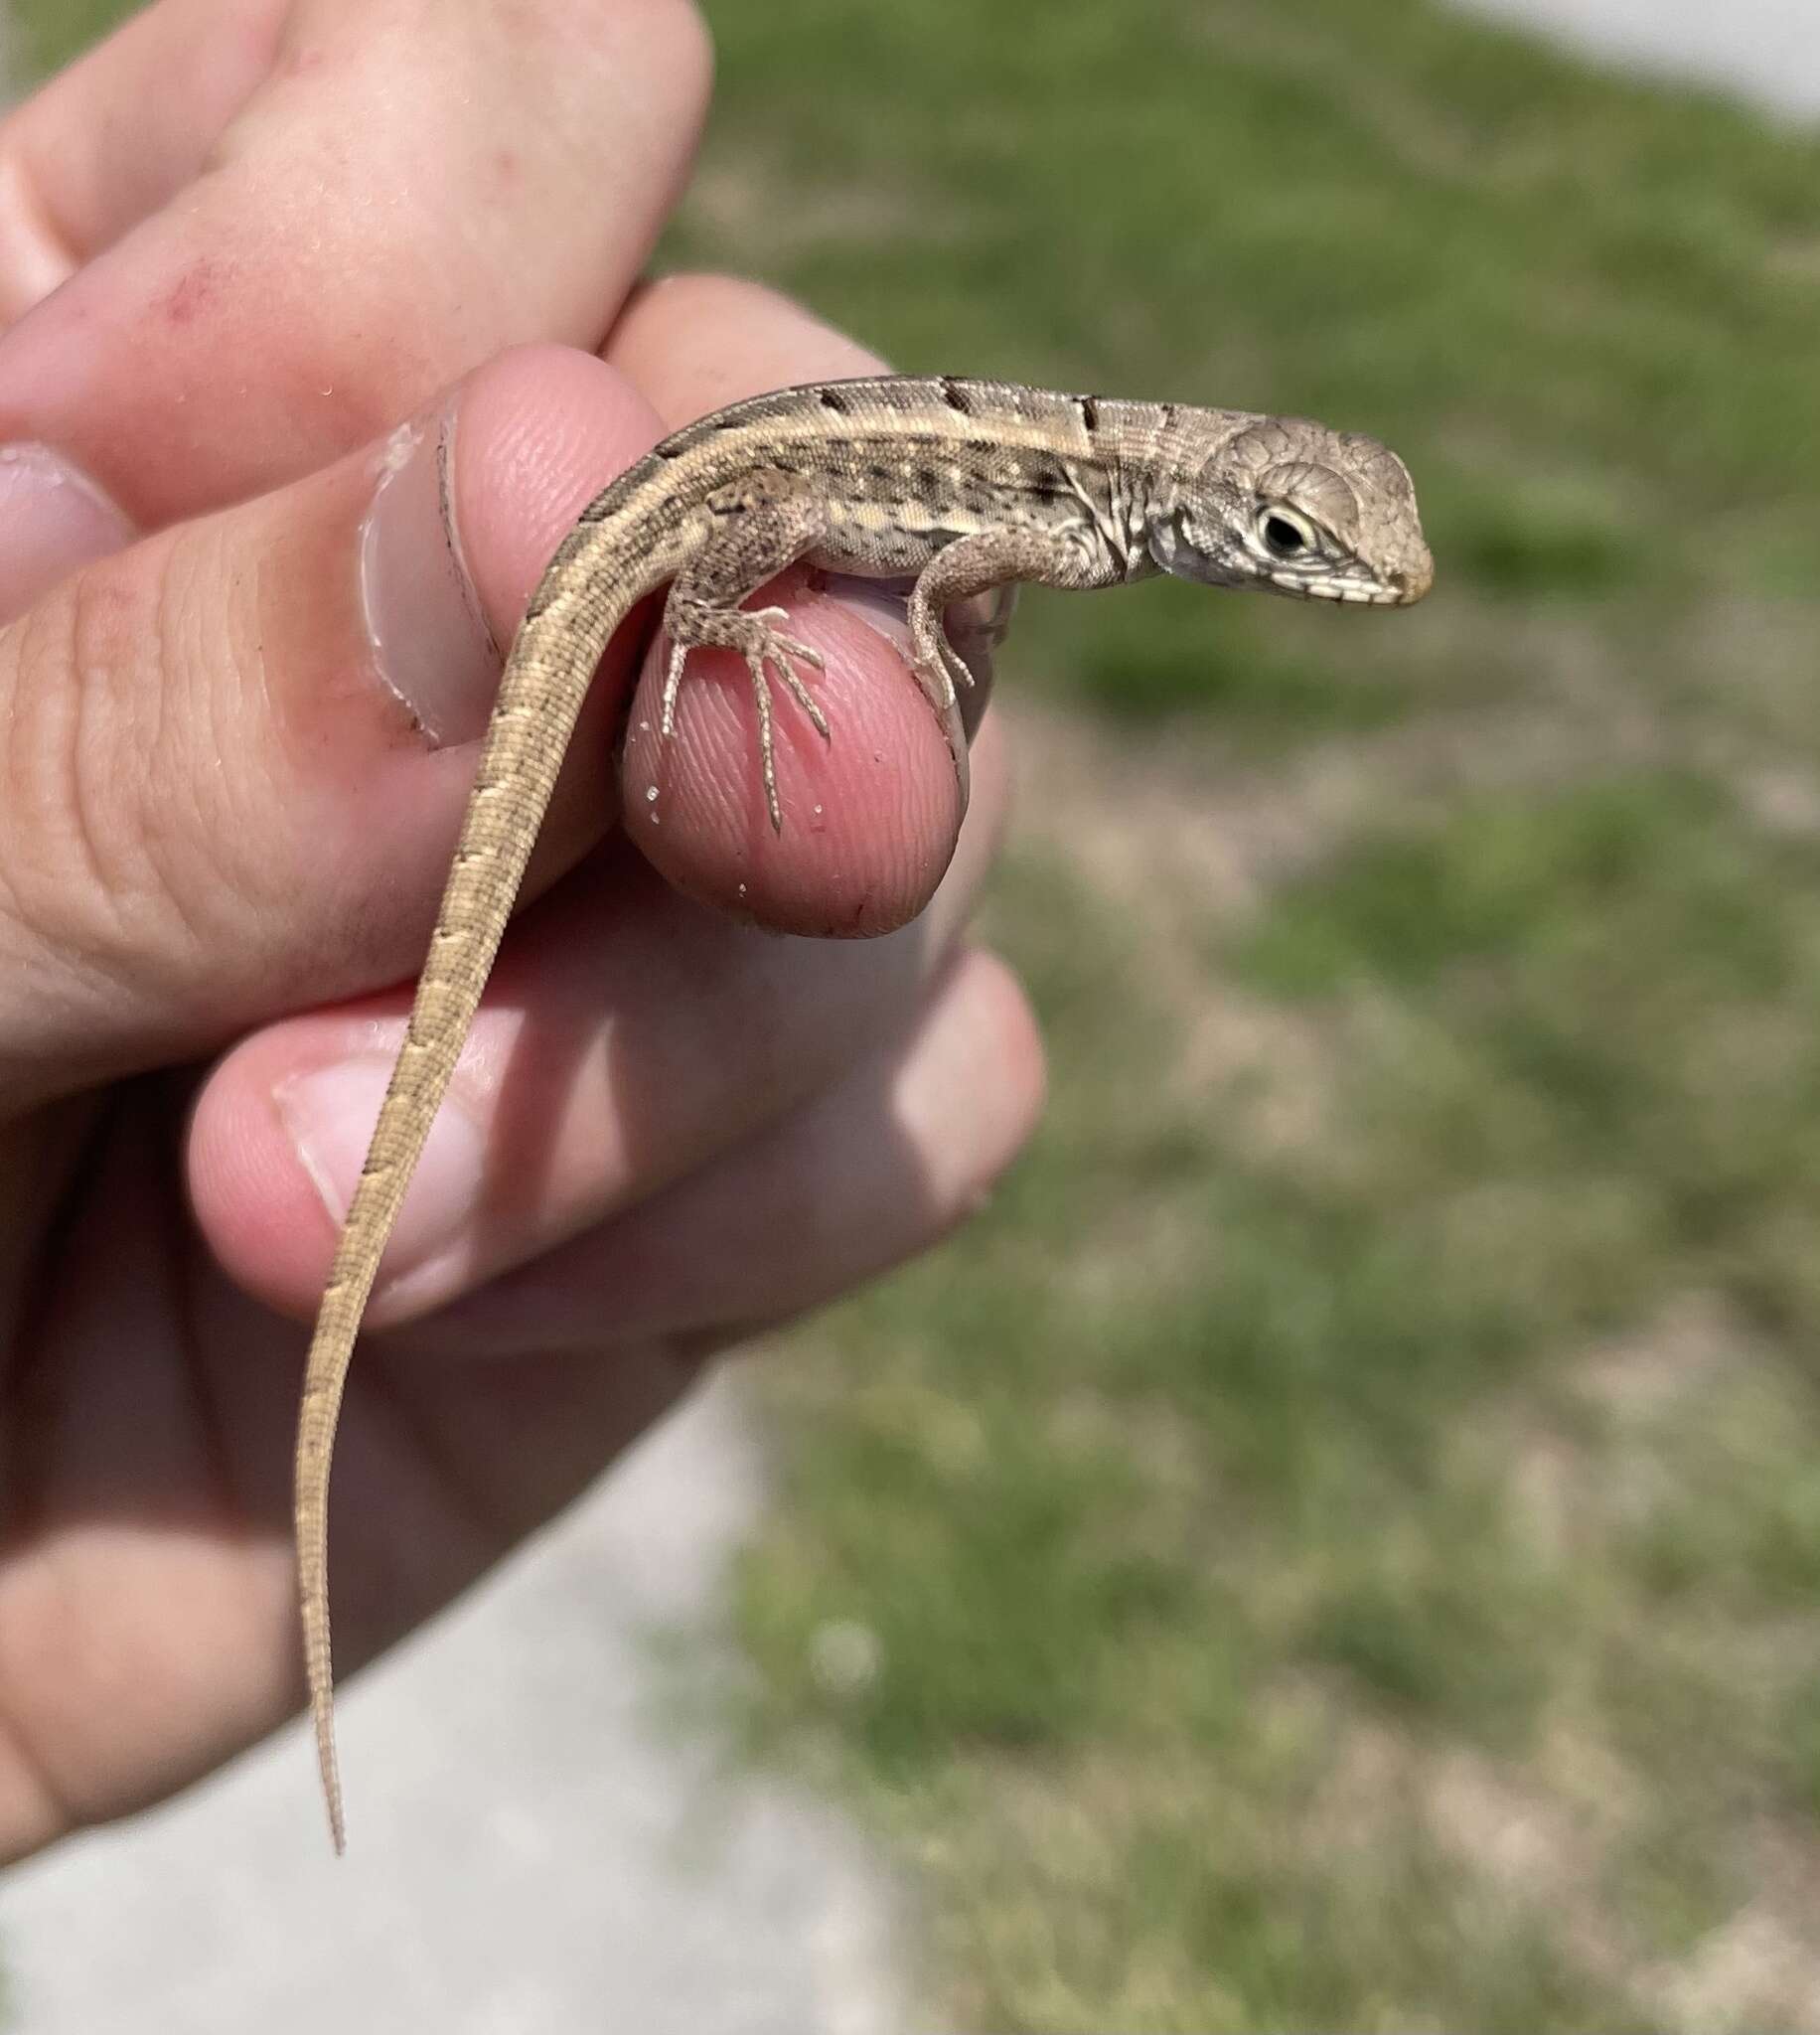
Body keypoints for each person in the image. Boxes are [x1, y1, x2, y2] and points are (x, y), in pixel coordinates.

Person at [0, 0, 1043, 1861]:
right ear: (1236, 528)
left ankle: (713, 624)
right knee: (731, 668)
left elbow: (947, 560)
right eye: (1300, 549)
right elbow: (956, 566)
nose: (1330, 578)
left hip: (700, 488)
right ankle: (713, 624)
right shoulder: (1067, 511)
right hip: (702, 506)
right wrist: (794, 630)